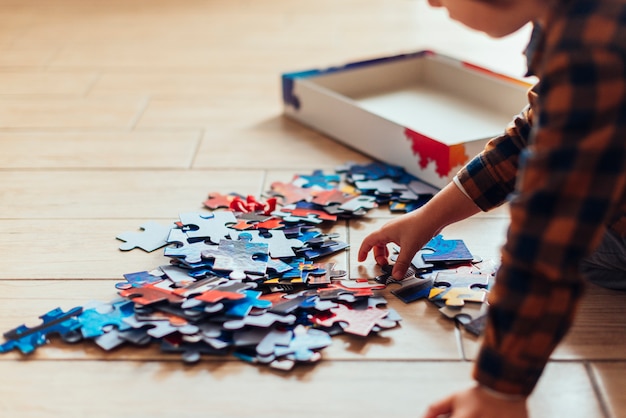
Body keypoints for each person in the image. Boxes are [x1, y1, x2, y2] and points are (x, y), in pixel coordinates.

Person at [357, 0, 626, 416]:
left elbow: (551, 225)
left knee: (567, 244)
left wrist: (499, 391)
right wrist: (427, 217)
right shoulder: (581, 18)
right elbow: (534, 133)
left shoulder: (594, 48)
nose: (430, 2)